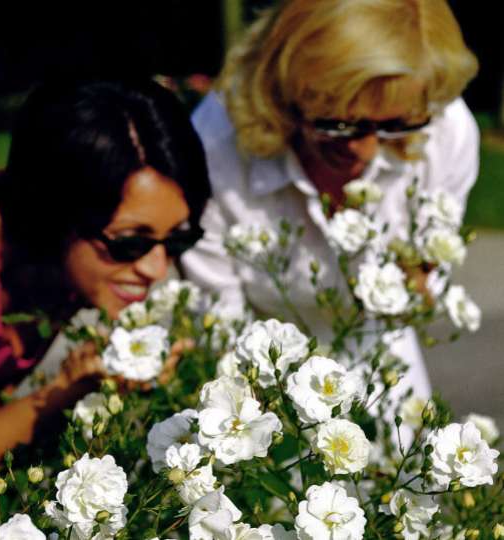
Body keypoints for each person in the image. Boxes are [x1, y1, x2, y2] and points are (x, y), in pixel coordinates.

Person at [182, 0, 479, 400]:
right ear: (287, 91)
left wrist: (420, 283)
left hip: (385, 369)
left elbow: (432, 268)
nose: (366, 151)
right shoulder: (214, 146)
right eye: (339, 123)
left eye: (394, 125)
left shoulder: (445, 128)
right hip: (261, 382)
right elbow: (218, 322)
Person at [0, 79, 210, 461]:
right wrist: (64, 393)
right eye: (129, 242)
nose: (157, 269)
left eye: (177, 240)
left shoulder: (59, 253)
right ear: (58, 210)